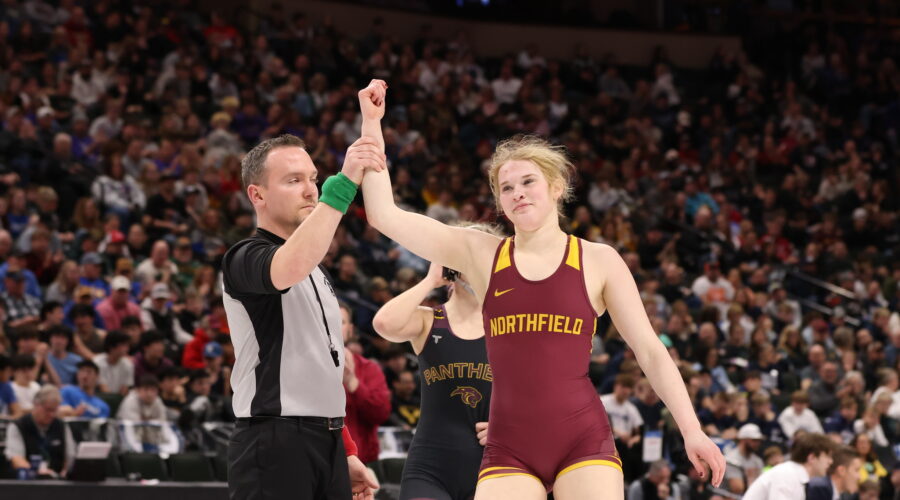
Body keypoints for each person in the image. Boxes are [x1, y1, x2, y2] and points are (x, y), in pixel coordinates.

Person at [359, 80, 724, 499]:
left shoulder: (598, 260)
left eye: (528, 182)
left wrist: (692, 431)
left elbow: (650, 351)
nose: (517, 194)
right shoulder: (481, 254)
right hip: (508, 448)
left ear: (556, 187)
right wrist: (372, 125)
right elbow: (384, 215)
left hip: (583, 441)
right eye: (506, 188)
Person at [223, 129, 384, 500]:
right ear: (257, 194)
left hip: (324, 438)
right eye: (294, 180)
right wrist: (343, 184)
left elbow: (322, 368)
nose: (312, 190)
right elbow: (288, 265)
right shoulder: (244, 257)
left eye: (314, 179)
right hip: (273, 439)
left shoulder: (316, 270)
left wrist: (343, 450)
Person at [373, 242, 497, 500]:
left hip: (493, 467)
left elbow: (539, 390)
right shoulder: (429, 320)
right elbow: (384, 323)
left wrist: (511, 425)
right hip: (430, 469)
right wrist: (430, 280)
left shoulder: (508, 326)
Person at [339, 301, 391, 465]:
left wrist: (354, 384)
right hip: (321, 463)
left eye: (340, 321)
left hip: (363, 462)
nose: (333, 326)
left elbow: (381, 413)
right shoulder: (306, 369)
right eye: (327, 319)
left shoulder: (369, 369)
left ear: (350, 330)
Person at [4, 385, 76, 478]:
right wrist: (38, 472)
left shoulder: (62, 426)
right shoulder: (18, 426)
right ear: (36, 405)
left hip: (57, 482)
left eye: (54, 410)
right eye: (48, 410)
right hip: (28, 483)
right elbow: (16, 458)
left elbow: (70, 457)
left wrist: (63, 474)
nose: (51, 414)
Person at [741, 432, 836, 500]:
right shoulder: (787, 475)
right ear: (812, 458)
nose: (831, 462)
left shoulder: (794, 475)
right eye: (827, 456)